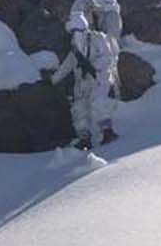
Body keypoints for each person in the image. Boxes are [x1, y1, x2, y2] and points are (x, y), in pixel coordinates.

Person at [51, 11, 121, 150]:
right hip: (82, 80)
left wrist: (93, 67)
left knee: (97, 103)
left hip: (100, 77)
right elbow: (69, 63)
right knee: (79, 108)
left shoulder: (98, 38)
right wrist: (54, 79)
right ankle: (85, 138)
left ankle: (108, 132)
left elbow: (108, 56)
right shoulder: (75, 46)